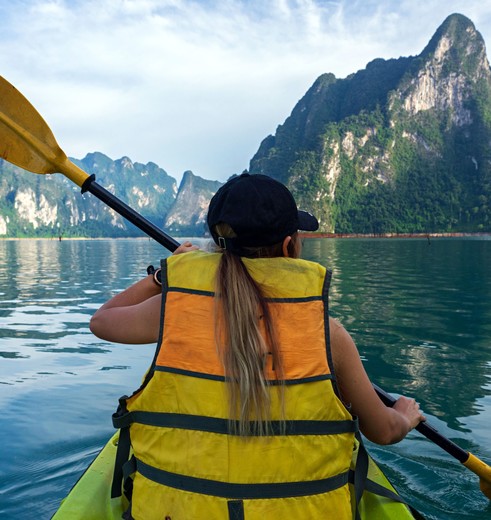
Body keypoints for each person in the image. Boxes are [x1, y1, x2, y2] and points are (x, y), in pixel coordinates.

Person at [90, 173, 425, 520]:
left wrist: (163, 277)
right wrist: (403, 416)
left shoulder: (169, 309)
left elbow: (102, 320)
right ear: (288, 246)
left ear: (218, 246)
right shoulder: (328, 333)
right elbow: (383, 431)